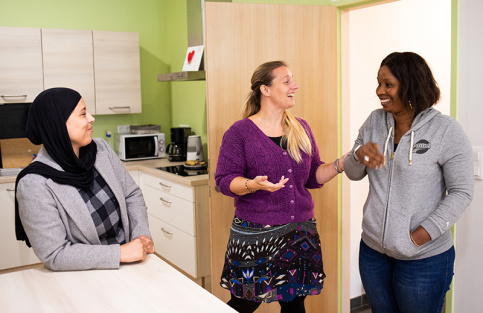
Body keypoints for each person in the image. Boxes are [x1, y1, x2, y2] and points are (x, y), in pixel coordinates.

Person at [344, 52, 474, 313]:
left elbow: (461, 192)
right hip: (373, 252)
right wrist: (358, 155)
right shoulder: (374, 122)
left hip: (423, 257)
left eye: (388, 84)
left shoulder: (446, 130)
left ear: (411, 84)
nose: (380, 90)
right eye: (378, 83)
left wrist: (419, 236)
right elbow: (353, 172)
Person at [215, 61, 348, 313]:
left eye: (292, 80)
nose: (294, 85)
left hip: (299, 234)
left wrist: (341, 163)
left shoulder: (301, 127)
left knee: (295, 303)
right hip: (255, 235)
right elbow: (224, 180)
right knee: (243, 303)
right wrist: (251, 185)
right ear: (265, 89)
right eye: (286, 81)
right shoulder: (240, 132)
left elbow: (313, 176)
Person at [15, 87, 155, 271]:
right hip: (84, 275)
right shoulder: (34, 183)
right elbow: (55, 255)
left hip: (131, 264)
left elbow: (131, 195)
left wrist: (140, 236)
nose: (91, 118)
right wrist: (120, 253)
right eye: (83, 114)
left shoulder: (101, 149)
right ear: (58, 124)